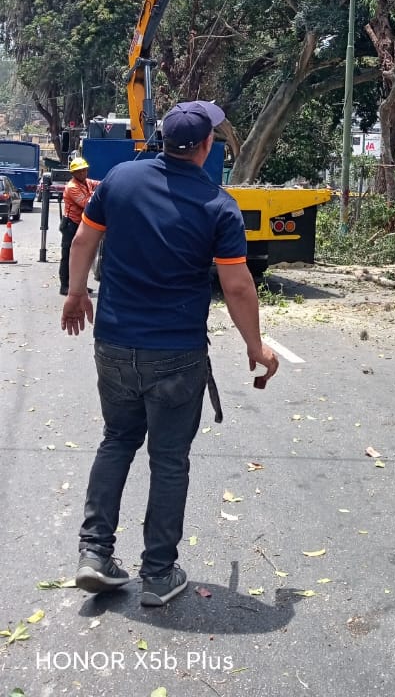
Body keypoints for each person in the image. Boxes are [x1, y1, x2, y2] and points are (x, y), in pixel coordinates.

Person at [60, 99, 279, 606]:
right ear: (206, 146)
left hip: (114, 343)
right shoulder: (217, 204)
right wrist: (255, 345)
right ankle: (158, 575)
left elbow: (84, 241)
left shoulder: (119, 180)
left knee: (117, 440)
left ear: (163, 142)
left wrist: (75, 293)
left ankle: (94, 553)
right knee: (169, 459)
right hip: (176, 354)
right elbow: (237, 286)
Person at [58, 157, 98, 296]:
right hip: (71, 224)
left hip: (81, 223)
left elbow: (101, 184)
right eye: (79, 171)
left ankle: (80, 286)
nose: (82, 173)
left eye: (84, 170)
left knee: (82, 256)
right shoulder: (72, 187)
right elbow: (86, 203)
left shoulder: (87, 182)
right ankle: (65, 286)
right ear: (73, 173)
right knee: (68, 255)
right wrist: (96, 196)